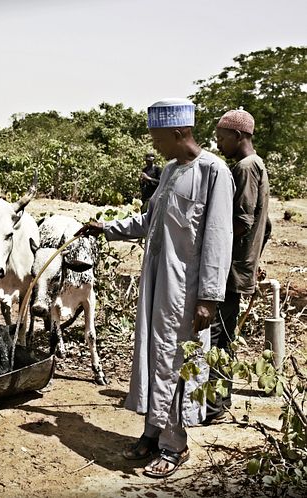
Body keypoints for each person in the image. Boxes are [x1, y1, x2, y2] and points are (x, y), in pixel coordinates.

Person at [76, 98, 234, 478]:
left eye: (157, 137)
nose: (154, 145)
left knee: (177, 362)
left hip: (186, 291)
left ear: (179, 132)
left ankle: (173, 446)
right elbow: (150, 219)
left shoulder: (214, 172)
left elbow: (218, 237)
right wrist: (107, 229)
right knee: (153, 356)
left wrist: (208, 298)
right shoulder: (168, 170)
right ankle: (151, 432)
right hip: (156, 283)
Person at [204, 109, 271, 424]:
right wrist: (254, 259)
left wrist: (210, 247)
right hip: (241, 267)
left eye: (221, 136)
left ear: (238, 135)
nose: (218, 143)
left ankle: (214, 407)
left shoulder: (244, 168)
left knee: (215, 335)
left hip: (229, 271)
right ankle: (220, 402)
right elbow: (265, 225)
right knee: (225, 336)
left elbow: (242, 223)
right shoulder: (258, 165)